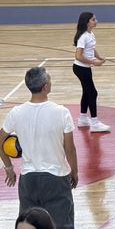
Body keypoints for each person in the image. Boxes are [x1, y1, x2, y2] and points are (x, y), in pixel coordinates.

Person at [0, 67, 78, 229]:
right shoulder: (61, 112)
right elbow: (70, 149)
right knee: (62, 224)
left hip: (28, 180)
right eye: (49, 80)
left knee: (29, 226)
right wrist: (74, 172)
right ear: (45, 87)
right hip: (56, 179)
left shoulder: (16, 113)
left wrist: (8, 167)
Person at [72, 11, 110, 133]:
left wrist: (98, 57)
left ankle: (83, 119)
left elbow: (92, 48)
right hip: (80, 69)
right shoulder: (83, 36)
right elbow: (78, 56)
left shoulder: (90, 34)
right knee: (93, 93)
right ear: (87, 22)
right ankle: (94, 123)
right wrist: (94, 62)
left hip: (85, 68)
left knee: (87, 92)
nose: (96, 21)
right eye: (93, 19)